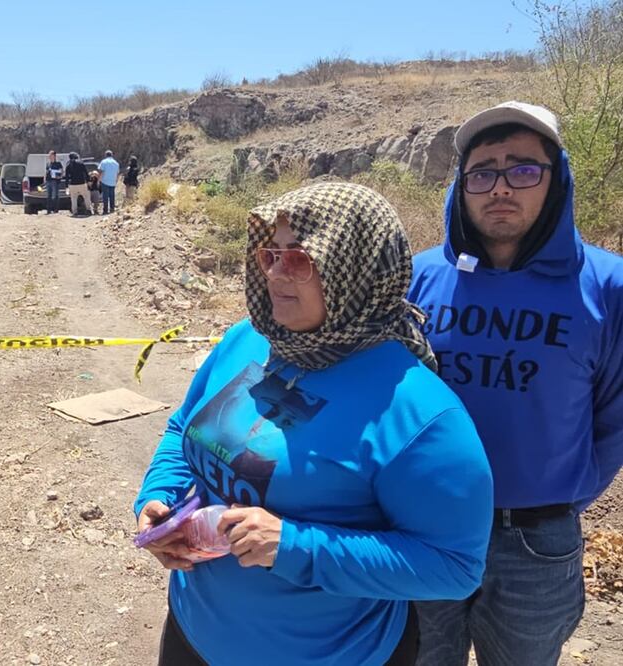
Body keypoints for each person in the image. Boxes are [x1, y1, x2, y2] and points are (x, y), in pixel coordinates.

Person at [134, 182, 494, 666]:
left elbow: (453, 567)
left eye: (300, 258)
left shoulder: (420, 412)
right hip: (194, 634)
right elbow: (183, 430)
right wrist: (160, 500)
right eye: (271, 255)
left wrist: (293, 546)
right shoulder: (249, 340)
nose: (278, 273)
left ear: (358, 270)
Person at [410, 102, 623, 666]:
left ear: (557, 179)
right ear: (462, 184)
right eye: (483, 172)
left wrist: (558, 500)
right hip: (421, 526)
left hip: (535, 543)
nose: (500, 187)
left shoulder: (608, 285)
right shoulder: (417, 277)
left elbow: (615, 418)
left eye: (523, 169)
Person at [98, 149, 120, 214]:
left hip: (105, 181)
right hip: (113, 181)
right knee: (112, 196)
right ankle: (112, 209)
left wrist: (99, 179)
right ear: (112, 155)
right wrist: (116, 181)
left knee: (105, 196)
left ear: (105, 155)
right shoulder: (116, 163)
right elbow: (117, 173)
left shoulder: (104, 162)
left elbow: (101, 171)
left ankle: (105, 210)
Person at [45, 150, 64, 214]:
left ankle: (55, 209)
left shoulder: (58, 164)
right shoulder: (48, 164)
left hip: (55, 182)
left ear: (54, 156)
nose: (49, 156)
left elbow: (62, 172)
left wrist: (59, 176)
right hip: (48, 181)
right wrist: (44, 179)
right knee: (48, 196)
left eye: (51, 155)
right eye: (49, 155)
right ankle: (48, 210)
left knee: (54, 196)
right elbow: (46, 172)